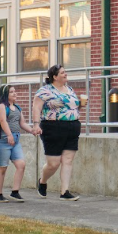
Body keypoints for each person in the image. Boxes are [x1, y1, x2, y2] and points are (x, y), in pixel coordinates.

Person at [31, 64, 85, 201]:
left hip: (72, 126)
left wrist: (81, 105)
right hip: (52, 127)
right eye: (62, 73)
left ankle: (64, 191)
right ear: (54, 77)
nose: (65, 74)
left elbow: (72, 107)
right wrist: (36, 125)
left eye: (65, 72)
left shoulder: (70, 89)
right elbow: (36, 108)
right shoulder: (45, 91)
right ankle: (42, 181)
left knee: (68, 160)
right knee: (53, 163)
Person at [0, 85, 34, 202]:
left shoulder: (17, 108)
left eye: (15, 91)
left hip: (15, 140)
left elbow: (22, 123)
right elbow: (2, 121)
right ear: (5, 95)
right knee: (2, 168)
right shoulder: (2, 107)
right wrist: (9, 134)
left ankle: (15, 192)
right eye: (12, 92)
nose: (15, 94)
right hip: (3, 140)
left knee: (21, 165)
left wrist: (32, 130)